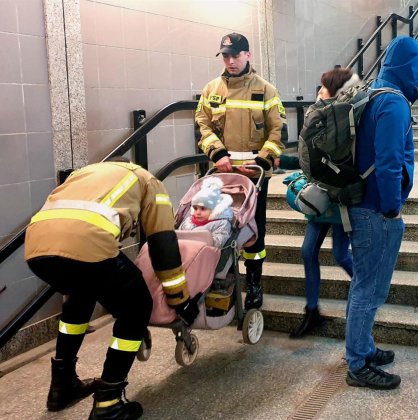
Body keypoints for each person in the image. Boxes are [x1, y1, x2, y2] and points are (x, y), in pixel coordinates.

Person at [24, 158, 199, 419]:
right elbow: (163, 247)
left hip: (37, 248)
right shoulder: (149, 182)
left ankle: (62, 387)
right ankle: (109, 403)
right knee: (137, 306)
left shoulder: (84, 174)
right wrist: (181, 300)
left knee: (80, 298)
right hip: (87, 244)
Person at [344, 36, 418, 390]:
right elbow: (389, 160)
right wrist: (393, 207)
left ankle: (361, 347)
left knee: (362, 284)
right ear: (410, 68)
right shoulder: (394, 104)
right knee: (370, 290)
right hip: (376, 209)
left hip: (361, 204)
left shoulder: (373, 91)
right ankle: (357, 364)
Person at [195, 32, 287, 310]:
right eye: (226, 56)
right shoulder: (211, 89)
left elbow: (277, 130)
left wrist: (263, 160)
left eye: (236, 55)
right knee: (218, 227)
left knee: (254, 231)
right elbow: (203, 124)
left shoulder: (265, 90)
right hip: (221, 172)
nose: (231, 61)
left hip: (255, 176)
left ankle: (255, 284)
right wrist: (218, 153)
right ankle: (224, 285)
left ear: (248, 55)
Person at [281, 68, 359, 338]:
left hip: (337, 201)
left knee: (340, 254)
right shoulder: (321, 115)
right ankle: (312, 311)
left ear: (335, 91)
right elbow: (309, 159)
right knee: (307, 252)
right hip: (319, 198)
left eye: (323, 88)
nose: (318, 92)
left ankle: (364, 290)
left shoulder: (340, 119)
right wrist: (281, 160)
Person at [179, 177, 234, 248]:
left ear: (214, 209)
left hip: (206, 255)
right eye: (195, 208)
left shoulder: (222, 223)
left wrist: (198, 238)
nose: (198, 212)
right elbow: (178, 235)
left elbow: (218, 243)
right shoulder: (188, 221)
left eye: (203, 209)